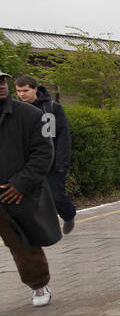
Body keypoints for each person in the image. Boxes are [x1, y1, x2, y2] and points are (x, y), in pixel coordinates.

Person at [0, 68, 59, 306]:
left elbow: (44, 153)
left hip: (14, 192)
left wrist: (21, 183)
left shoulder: (30, 114)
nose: (2, 85)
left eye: (3, 80)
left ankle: (39, 285)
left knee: (23, 243)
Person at [13, 76, 75, 234]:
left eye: (25, 90)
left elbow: (63, 136)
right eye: (18, 91)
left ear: (35, 89)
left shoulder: (52, 108)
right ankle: (35, 229)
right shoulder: (15, 109)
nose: (21, 94)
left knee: (56, 197)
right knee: (28, 198)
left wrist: (62, 162)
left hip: (52, 162)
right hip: (28, 163)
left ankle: (68, 215)